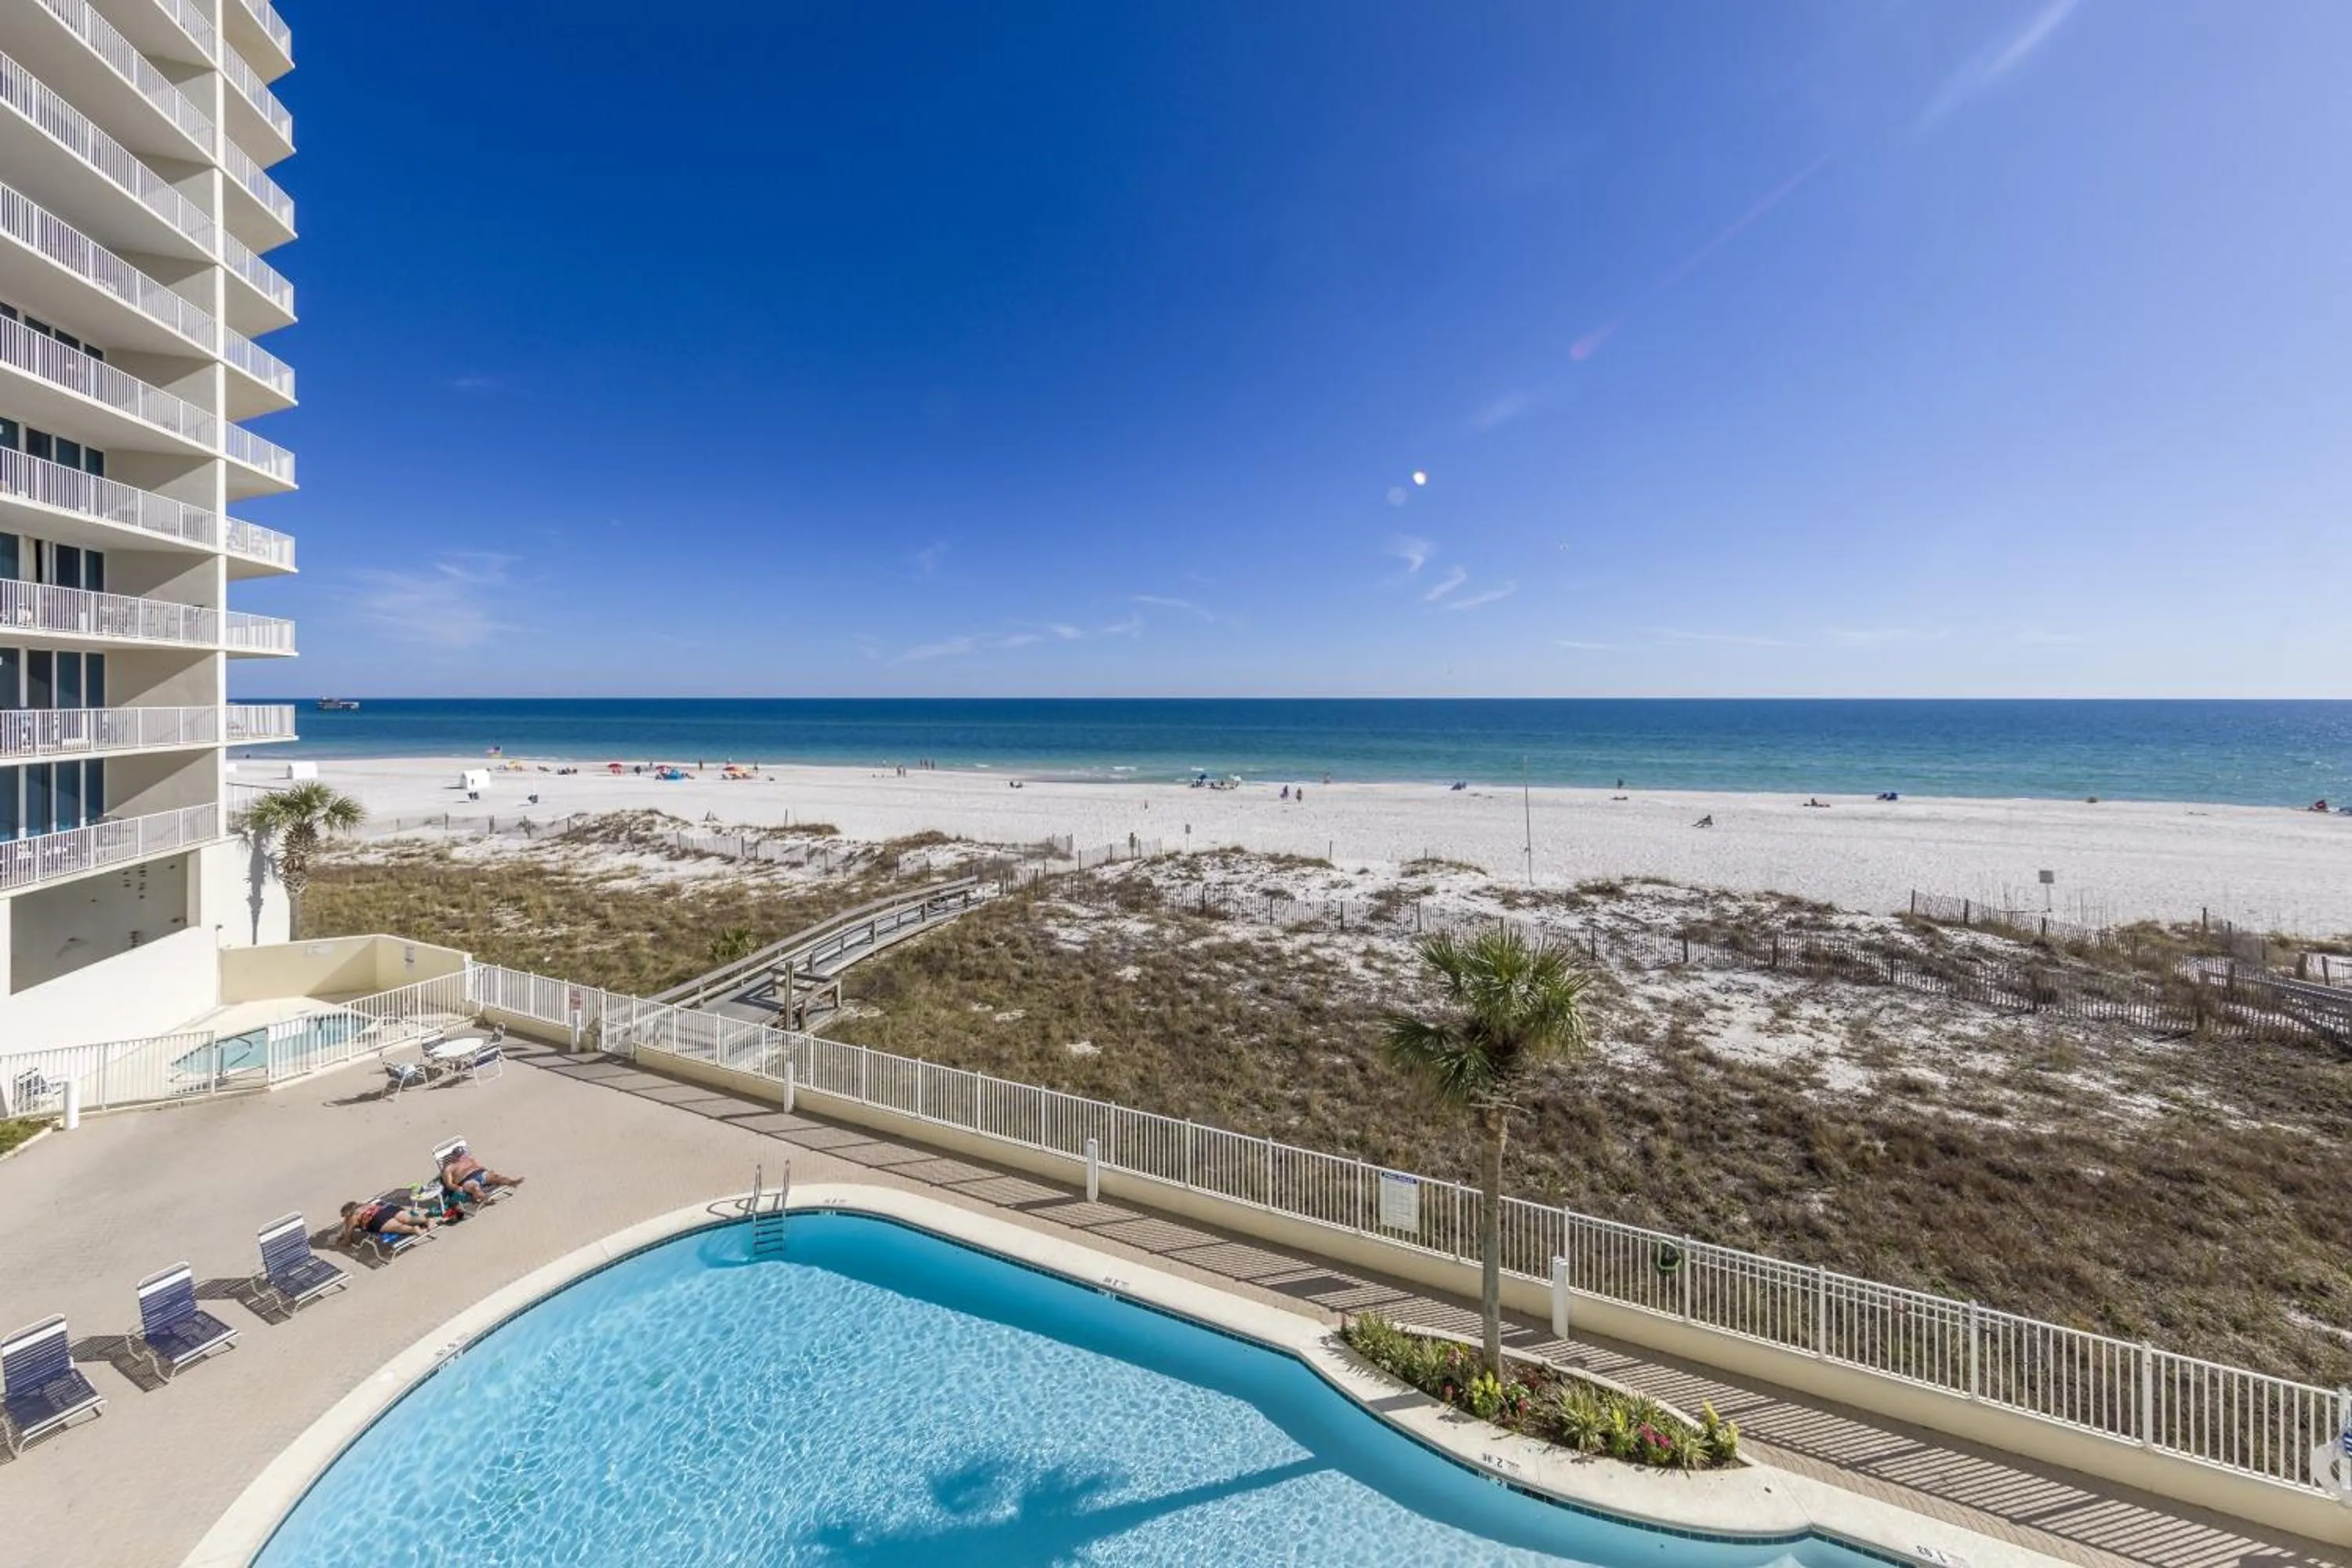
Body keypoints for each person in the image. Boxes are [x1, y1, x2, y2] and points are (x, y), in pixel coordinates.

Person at [438, 1142, 525, 1207]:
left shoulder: (469, 1158)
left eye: (463, 1154)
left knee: (497, 1177)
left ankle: (512, 1182)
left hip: (480, 1173)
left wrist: (489, 1171)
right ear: (454, 1156)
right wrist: (457, 1188)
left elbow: (479, 1167)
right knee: (475, 1188)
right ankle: (485, 1198)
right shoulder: (449, 1168)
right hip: (467, 1180)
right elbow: (449, 1184)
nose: (462, 1157)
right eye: (459, 1156)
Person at [339, 1196, 433, 1247]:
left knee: (397, 1227)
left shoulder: (352, 1216)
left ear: (348, 1213)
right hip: (388, 1209)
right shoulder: (366, 1205)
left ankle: (413, 1229)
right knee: (408, 1219)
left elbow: (348, 1236)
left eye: (344, 1216)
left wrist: (345, 1240)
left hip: (377, 1219)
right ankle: (426, 1220)